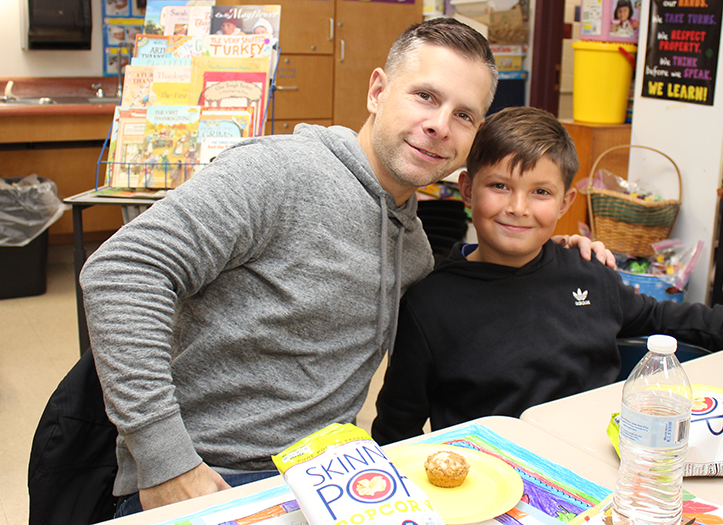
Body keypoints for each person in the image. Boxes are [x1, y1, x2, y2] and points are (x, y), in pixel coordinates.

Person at [80, 18, 610, 516]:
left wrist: (550, 249)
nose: (438, 126)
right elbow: (122, 272)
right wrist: (166, 459)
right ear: (377, 91)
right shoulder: (277, 173)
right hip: (212, 476)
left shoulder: (414, 249)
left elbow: (475, 292)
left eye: (463, 115)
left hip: (332, 479)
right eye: (425, 96)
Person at [370, 107, 723, 446]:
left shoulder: (589, 273)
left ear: (565, 203)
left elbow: (663, 318)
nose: (518, 208)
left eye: (541, 192)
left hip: (604, 463)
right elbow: (396, 427)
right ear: (467, 189)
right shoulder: (430, 303)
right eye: (500, 186)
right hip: (502, 483)